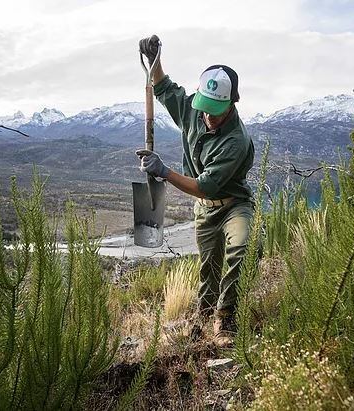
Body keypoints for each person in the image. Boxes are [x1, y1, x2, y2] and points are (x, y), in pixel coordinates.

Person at [137, 35, 255, 347]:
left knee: (239, 249)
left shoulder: (235, 141)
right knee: (209, 269)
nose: (208, 115)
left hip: (233, 205)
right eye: (205, 107)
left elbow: (203, 187)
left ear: (232, 103)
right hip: (205, 212)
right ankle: (202, 319)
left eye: (215, 111)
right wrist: (155, 60)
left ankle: (225, 318)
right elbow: (162, 88)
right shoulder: (193, 109)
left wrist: (163, 171)